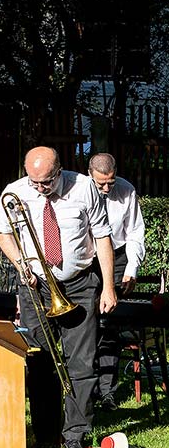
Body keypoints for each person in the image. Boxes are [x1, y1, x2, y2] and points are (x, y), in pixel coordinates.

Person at [0, 147, 116, 448]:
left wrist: (108, 287)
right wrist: (20, 262)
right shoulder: (15, 192)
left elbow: (101, 236)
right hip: (35, 287)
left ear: (60, 170)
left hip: (78, 284)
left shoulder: (84, 186)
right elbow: (2, 231)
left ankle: (76, 434)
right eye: (34, 181)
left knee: (81, 363)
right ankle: (46, 433)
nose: (39, 188)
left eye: (46, 182)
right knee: (40, 363)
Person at [88, 153, 144, 411]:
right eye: (101, 184)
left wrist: (131, 268)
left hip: (118, 256)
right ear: (90, 174)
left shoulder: (126, 190)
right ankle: (85, 387)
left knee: (110, 325)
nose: (107, 188)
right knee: (86, 325)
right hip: (87, 259)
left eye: (110, 182)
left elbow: (134, 231)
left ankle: (107, 391)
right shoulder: (80, 189)